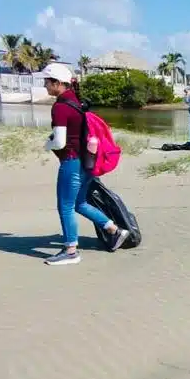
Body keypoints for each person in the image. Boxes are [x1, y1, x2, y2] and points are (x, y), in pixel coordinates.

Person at [41, 63, 130, 265]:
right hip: (86, 161)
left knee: (65, 206)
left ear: (57, 83)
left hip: (71, 162)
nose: (45, 86)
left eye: (47, 82)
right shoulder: (76, 101)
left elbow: (60, 142)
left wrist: (47, 144)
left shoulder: (61, 107)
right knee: (80, 203)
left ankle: (71, 250)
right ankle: (115, 231)